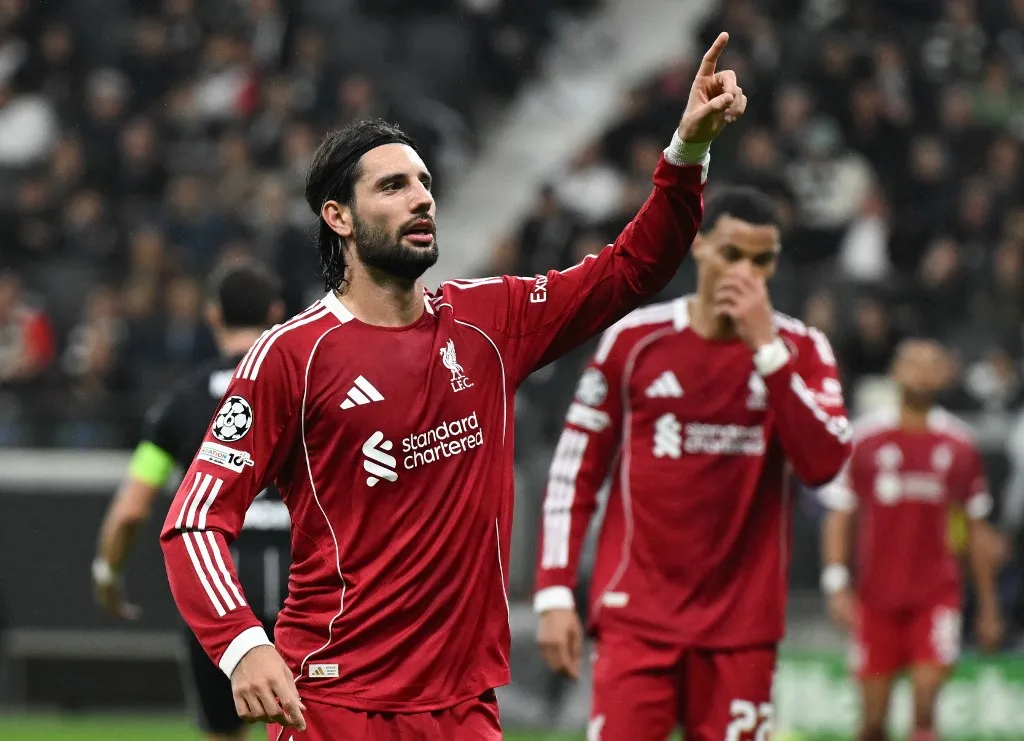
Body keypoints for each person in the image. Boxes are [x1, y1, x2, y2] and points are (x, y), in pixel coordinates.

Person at [158, 31, 746, 741]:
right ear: (337, 217)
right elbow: (194, 521)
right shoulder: (292, 356)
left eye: (426, 184)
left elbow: (632, 269)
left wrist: (687, 151)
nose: (421, 199)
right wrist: (242, 642)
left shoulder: (489, 322)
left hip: (463, 709)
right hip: (338, 707)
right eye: (393, 185)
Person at [533, 185, 852, 741]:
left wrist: (767, 351)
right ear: (699, 247)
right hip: (637, 617)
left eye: (762, 260)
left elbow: (824, 465)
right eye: (733, 254)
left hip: (742, 628)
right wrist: (556, 593)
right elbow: (574, 471)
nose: (746, 273)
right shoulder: (634, 342)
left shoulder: (802, 350)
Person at [93, 259, 289, 741]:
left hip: (221, 589)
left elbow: (131, 509)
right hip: (303, 589)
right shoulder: (306, 386)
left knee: (224, 732)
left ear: (211, 316)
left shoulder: (181, 402)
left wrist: (108, 574)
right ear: (278, 313)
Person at [818, 338, 1004, 741]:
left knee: (924, 709)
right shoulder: (865, 439)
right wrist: (836, 583)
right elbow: (840, 516)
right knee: (872, 721)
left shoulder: (959, 444)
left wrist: (989, 606)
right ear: (895, 372)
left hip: (935, 597)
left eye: (930, 364)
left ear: (943, 375)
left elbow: (974, 530)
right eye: (912, 363)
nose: (921, 372)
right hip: (875, 598)